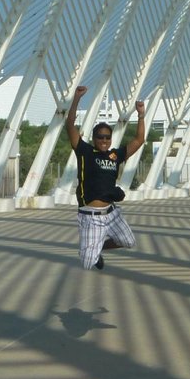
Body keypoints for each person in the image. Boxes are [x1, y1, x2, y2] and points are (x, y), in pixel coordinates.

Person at [65, 84, 145, 270]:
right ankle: (92, 251)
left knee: (129, 242)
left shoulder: (115, 156)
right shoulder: (84, 151)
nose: (104, 140)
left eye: (107, 137)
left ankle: (97, 246)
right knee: (87, 263)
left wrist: (140, 115)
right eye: (100, 137)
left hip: (112, 213)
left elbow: (139, 140)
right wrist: (77, 98)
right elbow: (69, 125)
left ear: (110, 139)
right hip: (90, 216)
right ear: (94, 138)